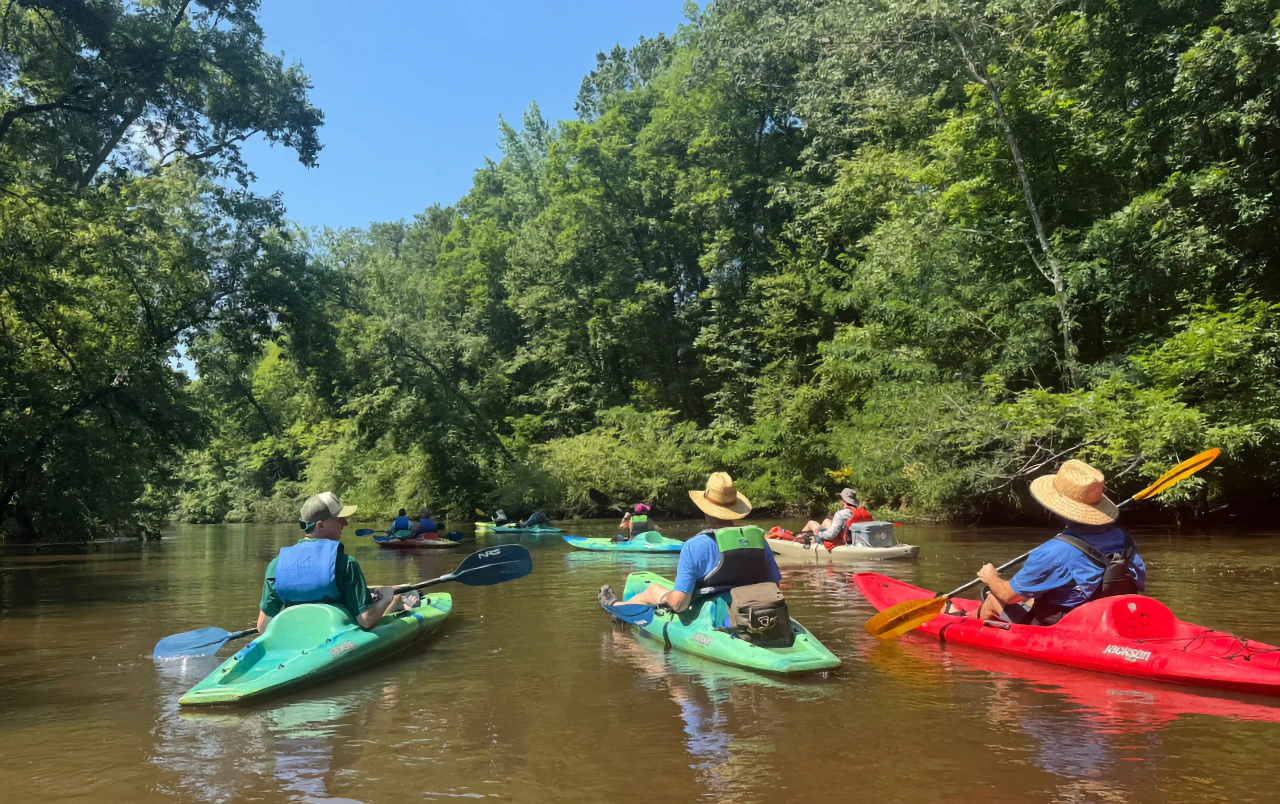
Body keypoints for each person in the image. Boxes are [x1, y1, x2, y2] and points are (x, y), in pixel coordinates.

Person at [973, 459, 1146, 625]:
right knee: (1035, 596)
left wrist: (991, 577)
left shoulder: (1053, 551)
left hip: (1067, 626)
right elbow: (1139, 583)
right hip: (1111, 618)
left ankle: (969, 631)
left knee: (992, 599)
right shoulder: (1124, 538)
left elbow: (1009, 596)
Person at [600, 472, 780, 613]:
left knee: (653, 590)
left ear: (706, 510)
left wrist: (667, 599)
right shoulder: (759, 541)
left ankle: (616, 608)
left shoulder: (695, 546)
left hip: (710, 612)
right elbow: (775, 588)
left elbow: (679, 605)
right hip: (754, 607)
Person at [258, 492, 417, 633]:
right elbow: (366, 620)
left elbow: (263, 627)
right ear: (321, 525)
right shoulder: (346, 563)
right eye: (339, 518)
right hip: (336, 633)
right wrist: (387, 596)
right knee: (383, 599)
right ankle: (394, 602)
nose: (345, 523)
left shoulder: (275, 565)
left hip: (301, 635)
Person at [800, 488, 872, 546]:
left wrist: (818, 534)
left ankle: (801, 539)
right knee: (826, 521)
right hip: (854, 539)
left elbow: (831, 535)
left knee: (811, 523)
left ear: (843, 501)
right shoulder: (862, 512)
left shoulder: (841, 514)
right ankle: (808, 537)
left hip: (839, 541)